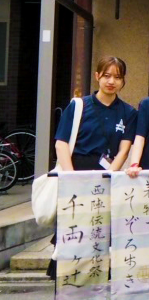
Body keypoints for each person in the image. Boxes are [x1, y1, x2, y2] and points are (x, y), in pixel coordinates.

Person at [47, 56, 138, 284]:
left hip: (106, 177)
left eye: (117, 77)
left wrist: (110, 176)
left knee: (99, 226)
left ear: (123, 81)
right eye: (106, 75)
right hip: (76, 172)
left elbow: (124, 150)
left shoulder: (128, 113)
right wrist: (71, 178)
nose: (111, 81)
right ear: (97, 76)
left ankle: (96, 274)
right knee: (74, 224)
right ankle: (68, 276)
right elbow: (61, 143)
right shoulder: (78, 106)